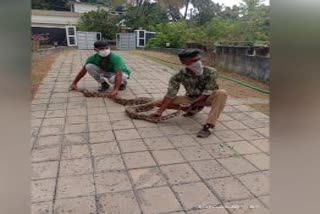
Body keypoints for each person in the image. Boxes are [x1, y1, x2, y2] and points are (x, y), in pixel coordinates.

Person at [150, 49, 228, 138]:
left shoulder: (211, 71)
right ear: (183, 62)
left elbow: (207, 93)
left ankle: (209, 125)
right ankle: (191, 109)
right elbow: (170, 95)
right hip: (190, 98)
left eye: (198, 59)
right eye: (193, 61)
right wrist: (160, 111)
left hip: (207, 98)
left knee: (222, 93)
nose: (198, 62)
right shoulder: (178, 75)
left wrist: (191, 103)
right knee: (157, 103)